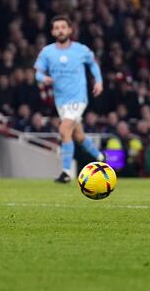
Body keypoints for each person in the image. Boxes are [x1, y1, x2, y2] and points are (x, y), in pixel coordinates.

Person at [34, 15, 104, 184]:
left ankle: (66, 172)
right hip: (61, 101)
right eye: (57, 28)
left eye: (63, 27)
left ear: (70, 30)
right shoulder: (47, 52)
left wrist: (99, 81)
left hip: (78, 98)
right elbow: (37, 73)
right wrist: (44, 79)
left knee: (64, 130)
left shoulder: (81, 50)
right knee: (78, 136)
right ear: (52, 31)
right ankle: (101, 157)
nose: (60, 30)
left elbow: (93, 64)